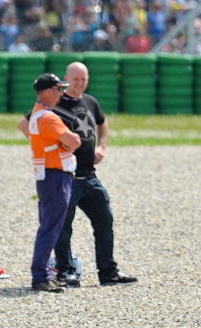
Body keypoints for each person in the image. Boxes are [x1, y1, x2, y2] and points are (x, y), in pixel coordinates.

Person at [19, 62, 137, 287]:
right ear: (66, 80)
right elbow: (25, 125)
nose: (79, 83)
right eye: (75, 79)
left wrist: (101, 146)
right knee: (62, 228)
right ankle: (65, 271)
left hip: (89, 175)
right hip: (65, 177)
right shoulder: (51, 105)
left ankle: (108, 271)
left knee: (104, 220)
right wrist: (47, 147)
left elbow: (102, 123)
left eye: (84, 79)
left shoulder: (90, 101)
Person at [27, 73, 81, 293]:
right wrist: (68, 143)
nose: (61, 93)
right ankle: (41, 276)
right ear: (48, 92)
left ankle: (44, 274)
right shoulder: (48, 117)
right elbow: (74, 141)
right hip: (56, 176)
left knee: (48, 228)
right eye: (58, 89)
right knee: (50, 230)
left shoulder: (37, 113)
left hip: (48, 176)